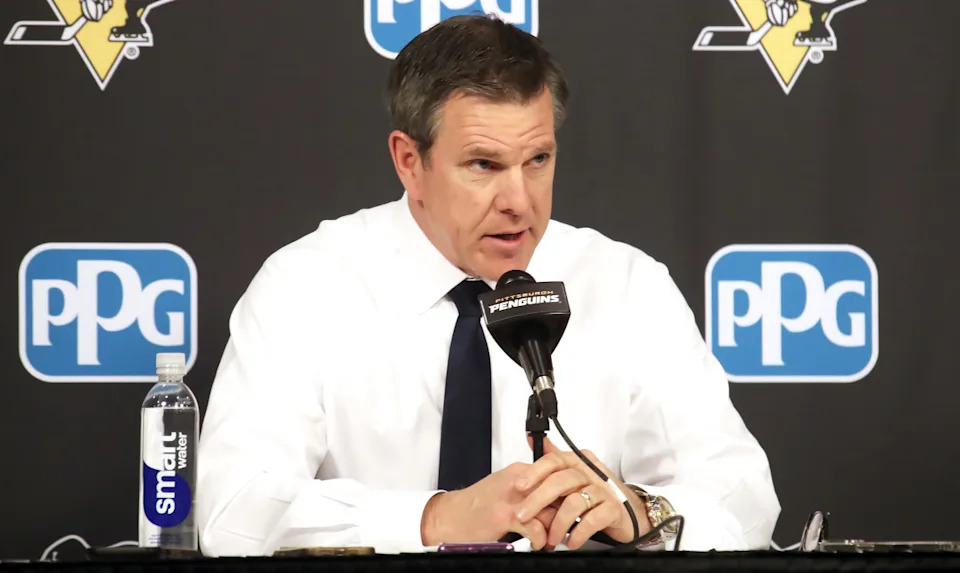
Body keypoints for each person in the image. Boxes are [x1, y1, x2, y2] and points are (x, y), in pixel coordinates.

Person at [196, 15, 780, 556]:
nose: (520, 202)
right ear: (409, 161)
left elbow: (747, 500)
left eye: (538, 160)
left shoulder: (627, 286)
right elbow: (232, 513)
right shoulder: (306, 287)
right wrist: (437, 519)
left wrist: (641, 510)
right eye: (483, 166)